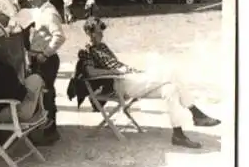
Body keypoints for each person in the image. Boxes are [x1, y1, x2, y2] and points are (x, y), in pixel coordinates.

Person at [79, 16, 221, 149]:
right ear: (89, 33)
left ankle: (178, 135)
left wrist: (129, 70)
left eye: (101, 30)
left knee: (170, 89)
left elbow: (115, 63)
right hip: (120, 83)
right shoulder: (86, 50)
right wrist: (115, 73)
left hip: (130, 77)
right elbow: (90, 73)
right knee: (170, 73)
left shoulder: (102, 46)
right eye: (98, 32)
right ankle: (196, 114)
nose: (102, 34)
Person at [26, 0, 66, 145]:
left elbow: (59, 37)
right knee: (39, 96)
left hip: (46, 60)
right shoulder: (37, 11)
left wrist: (45, 53)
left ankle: (51, 132)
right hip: (36, 58)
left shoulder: (50, 13)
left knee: (47, 95)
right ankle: (41, 130)